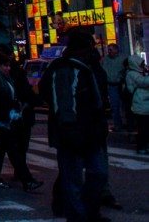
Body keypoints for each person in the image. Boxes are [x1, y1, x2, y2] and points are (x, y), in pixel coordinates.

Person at [39, 30, 107, 222]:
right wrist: (69, 128)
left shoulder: (84, 67)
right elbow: (64, 103)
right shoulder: (66, 69)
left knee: (96, 174)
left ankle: (86, 211)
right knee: (75, 178)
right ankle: (78, 215)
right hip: (73, 133)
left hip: (88, 132)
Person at [0, 53, 42, 191]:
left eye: (8, 65)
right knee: (12, 150)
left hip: (5, 117)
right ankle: (27, 180)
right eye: (5, 65)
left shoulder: (3, 77)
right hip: (0, 119)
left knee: (2, 149)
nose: (8, 68)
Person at [123, 55, 149, 153]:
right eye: (141, 64)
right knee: (143, 128)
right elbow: (143, 82)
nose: (143, 65)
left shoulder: (137, 73)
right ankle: (142, 147)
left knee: (145, 127)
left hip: (143, 103)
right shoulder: (132, 74)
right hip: (140, 103)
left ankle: (145, 145)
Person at [101, 44, 127, 132]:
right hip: (111, 85)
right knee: (114, 106)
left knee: (125, 106)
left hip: (121, 84)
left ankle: (127, 124)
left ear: (116, 50)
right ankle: (118, 125)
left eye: (111, 50)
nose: (109, 51)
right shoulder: (105, 60)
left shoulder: (122, 59)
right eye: (108, 50)